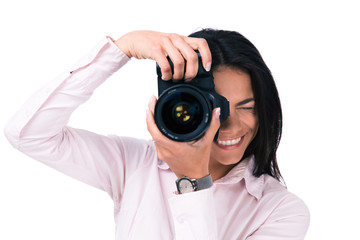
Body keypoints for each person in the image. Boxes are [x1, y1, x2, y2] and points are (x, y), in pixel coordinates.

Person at [4, 29, 310, 239]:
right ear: (183, 103)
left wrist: (194, 182)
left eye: (247, 107)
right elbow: (28, 133)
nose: (229, 125)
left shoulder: (281, 211)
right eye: (216, 107)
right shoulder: (135, 164)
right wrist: (121, 48)